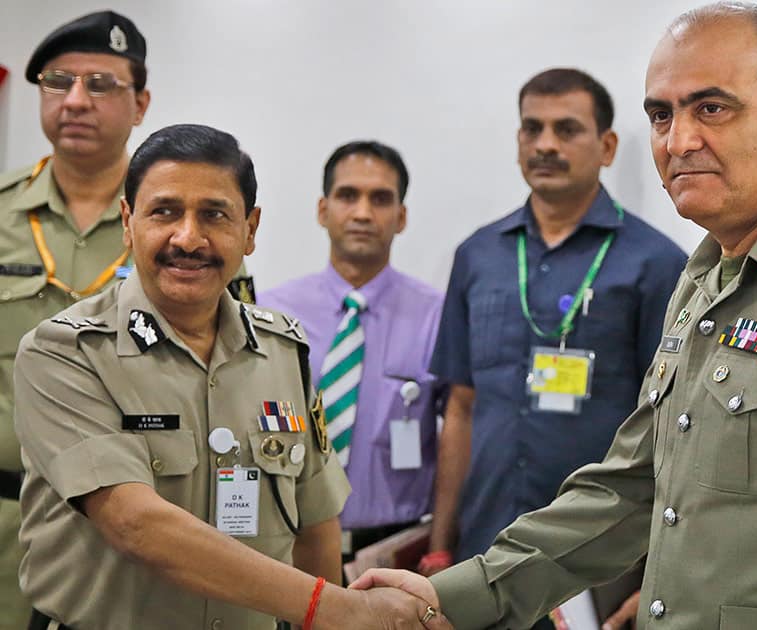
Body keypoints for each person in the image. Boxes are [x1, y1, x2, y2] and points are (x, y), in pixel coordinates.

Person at [355, 3, 757, 628]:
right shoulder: (704, 278)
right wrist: (456, 596)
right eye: (662, 114)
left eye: (711, 108)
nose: (679, 140)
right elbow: (630, 490)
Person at [14, 123, 449, 630]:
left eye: (215, 215)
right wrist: (338, 610)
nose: (188, 238)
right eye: (165, 212)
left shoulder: (284, 350)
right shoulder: (66, 351)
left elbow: (315, 523)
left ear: (250, 229)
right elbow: (135, 524)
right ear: (128, 221)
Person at [419, 67, 686, 627]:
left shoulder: (656, 264)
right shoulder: (477, 256)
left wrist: (656, 568)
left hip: (600, 558)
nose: (545, 144)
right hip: (483, 550)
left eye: (567, 129)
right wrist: (441, 546)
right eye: (532, 129)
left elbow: (671, 427)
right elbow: (461, 407)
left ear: (607, 146)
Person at [0, 12, 152, 627]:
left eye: (101, 84)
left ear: (141, 103)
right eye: (58, 82)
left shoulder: (177, 227)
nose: (76, 100)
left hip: (128, 535)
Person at [258, 141, 444, 562]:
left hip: (392, 548)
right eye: (348, 196)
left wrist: (443, 543)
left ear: (401, 217)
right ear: (323, 210)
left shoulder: (438, 315)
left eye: (380, 199)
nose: (362, 213)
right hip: (288, 542)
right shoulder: (270, 313)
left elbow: (461, 431)